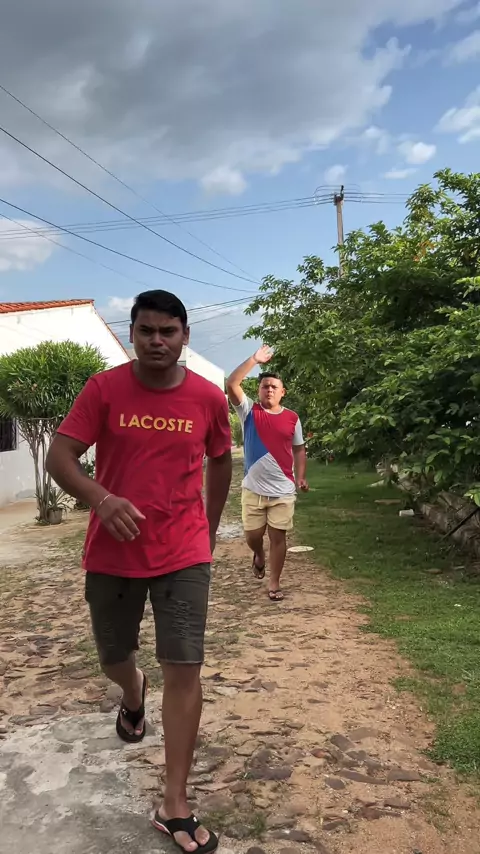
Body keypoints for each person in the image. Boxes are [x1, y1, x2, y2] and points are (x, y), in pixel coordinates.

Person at [46, 289, 232, 854]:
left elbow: (220, 459)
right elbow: (59, 457)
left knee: (186, 666)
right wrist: (100, 499)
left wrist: (207, 528)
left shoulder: (207, 397)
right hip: (114, 552)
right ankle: (132, 691)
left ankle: (174, 802)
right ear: (132, 334)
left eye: (167, 331)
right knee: (113, 657)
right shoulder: (104, 389)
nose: (157, 341)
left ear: (184, 336)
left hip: (183, 551)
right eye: (146, 331)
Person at [226, 344, 308, 601]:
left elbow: (299, 449)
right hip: (253, 489)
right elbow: (232, 384)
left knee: (278, 537)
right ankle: (258, 554)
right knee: (253, 536)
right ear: (258, 390)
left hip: (283, 490)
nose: (269, 389)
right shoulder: (248, 411)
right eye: (265, 386)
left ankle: (274, 583)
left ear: (283, 392)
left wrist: (301, 476)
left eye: (274, 386)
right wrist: (254, 359)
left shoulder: (292, 418)